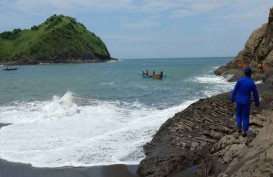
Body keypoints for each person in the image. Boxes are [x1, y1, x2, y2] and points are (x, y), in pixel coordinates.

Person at [231, 67, 260, 137]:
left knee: (238, 114)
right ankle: (245, 131)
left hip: (239, 100)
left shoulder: (240, 80)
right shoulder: (252, 83)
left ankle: (238, 127)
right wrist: (257, 102)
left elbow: (235, 90)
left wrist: (232, 98)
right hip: (246, 101)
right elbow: (255, 94)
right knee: (246, 116)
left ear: (245, 73)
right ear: (250, 74)